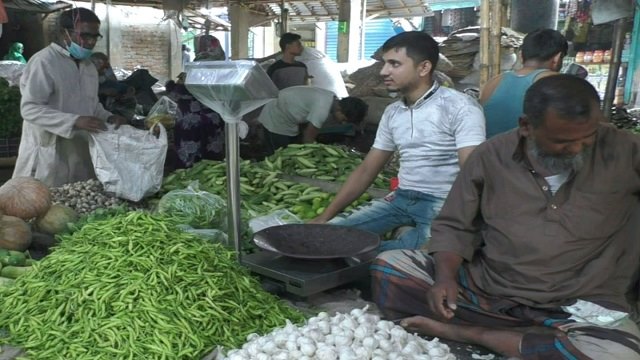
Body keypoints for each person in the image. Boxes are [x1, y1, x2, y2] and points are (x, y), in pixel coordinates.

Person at [371, 75, 640, 359]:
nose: (577, 148)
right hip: (491, 290)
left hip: (578, 303)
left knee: (619, 354)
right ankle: (531, 342)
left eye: (589, 137)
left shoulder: (627, 152)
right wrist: (446, 278)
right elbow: (454, 224)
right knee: (389, 267)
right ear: (526, 127)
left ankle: (470, 333)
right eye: (562, 142)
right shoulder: (491, 156)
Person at [310, 31, 486, 252]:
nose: (384, 72)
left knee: (396, 254)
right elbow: (367, 169)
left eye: (394, 64)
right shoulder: (393, 112)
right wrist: (325, 218)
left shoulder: (460, 107)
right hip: (401, 199)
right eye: (385, 63)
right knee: (325, 238)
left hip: (443, 203)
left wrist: (457, 226)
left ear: (424, 68)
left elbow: (472, 174)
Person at [13, 8, 127, 187]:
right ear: (63, 33)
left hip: (78, 147)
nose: (90, 42)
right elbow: (30, 108)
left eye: (94, 37)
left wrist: (108, 117)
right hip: (48, 148)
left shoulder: (88, 67)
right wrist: (74, 121)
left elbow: (91, 104)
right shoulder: (44, 62)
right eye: (84, 35)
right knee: (41, 202)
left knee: (78, 198)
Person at [481, 29, 568, 138]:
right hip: (532, 154)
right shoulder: (558, 83)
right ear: (557, 58)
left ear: (521, 55)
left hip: (492, 153)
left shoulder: (493, 83)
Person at [257, 85, 368, 155]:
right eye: (344, 119)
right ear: (340, 109)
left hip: (287, 115)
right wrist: (318, 153)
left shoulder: (331, 97)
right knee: (278, 154)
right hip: (276, 117)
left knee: (290, 149)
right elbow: (308, 139)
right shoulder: (322, 109)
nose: (342, 123)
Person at [166, 72, 225, 168]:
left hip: (203, 137)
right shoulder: (179, 95)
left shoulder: (211, 93)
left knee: (209, 163)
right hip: (192, 136)